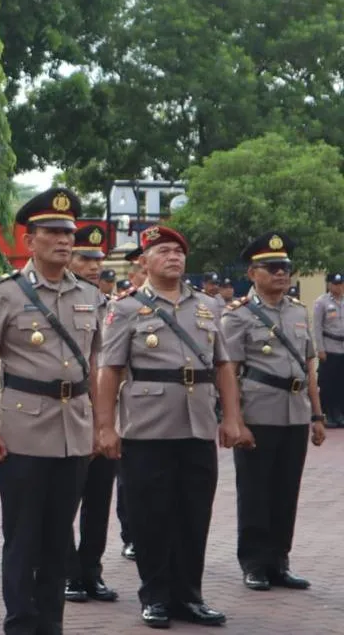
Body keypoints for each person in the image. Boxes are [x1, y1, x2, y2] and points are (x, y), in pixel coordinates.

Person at [95, 224, 251, 629]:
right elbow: (109, 372)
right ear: (144, 262)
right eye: (163, 251)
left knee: (194, 513)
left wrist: (232, 417)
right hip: (147, 426)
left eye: (179, 252)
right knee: (151, 514)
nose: (174, 258)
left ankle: (189, 596)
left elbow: (224, 367)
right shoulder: (125, 309)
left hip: (198, 423)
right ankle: (156, 596)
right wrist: (105, 427)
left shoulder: (208, 306)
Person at [0, 188, 103, 635]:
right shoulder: (5, 292)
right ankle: (21, 622)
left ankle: (51, 622)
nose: (63, 240)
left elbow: (99, 365)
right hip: (24, 430)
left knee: (57, 536)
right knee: (24, 536)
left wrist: (103, 426)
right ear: (29, 241)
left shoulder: (89, 293)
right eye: (51, 232)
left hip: (74, 429)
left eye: (68, 232)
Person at [220, 232, 326, 593]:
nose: (281, 274)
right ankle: (254, 563)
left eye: (286, 268)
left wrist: (317, 415)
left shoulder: (297, 311)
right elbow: (229, 371)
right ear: (253, 273)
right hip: (258, 412)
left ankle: (280, 561)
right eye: (273, 268)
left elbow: (308, 365)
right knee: (255, 491)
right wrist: (233, 419)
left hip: (294, 413)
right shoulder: (237, 316)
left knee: (285, 491)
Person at [58, 224, 120, 605]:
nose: (94, 266)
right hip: (68, 416)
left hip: (106, 419)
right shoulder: (56, 304)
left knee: (99, 501)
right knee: (66, 501)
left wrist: (110, 423)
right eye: (86, 258)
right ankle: (69, 573)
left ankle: (92, 571)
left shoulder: (115, 306)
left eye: (98, 258)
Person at [315, 273, 344, 427]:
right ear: (329, 285)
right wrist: (320, 349)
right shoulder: (321, 302)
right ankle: (329, 414)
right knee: (328, 384)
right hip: (329, 347)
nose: (338, 287)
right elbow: (317, 327)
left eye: (340, 284)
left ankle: (340, 414)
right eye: (335, 284)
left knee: (341, 383)